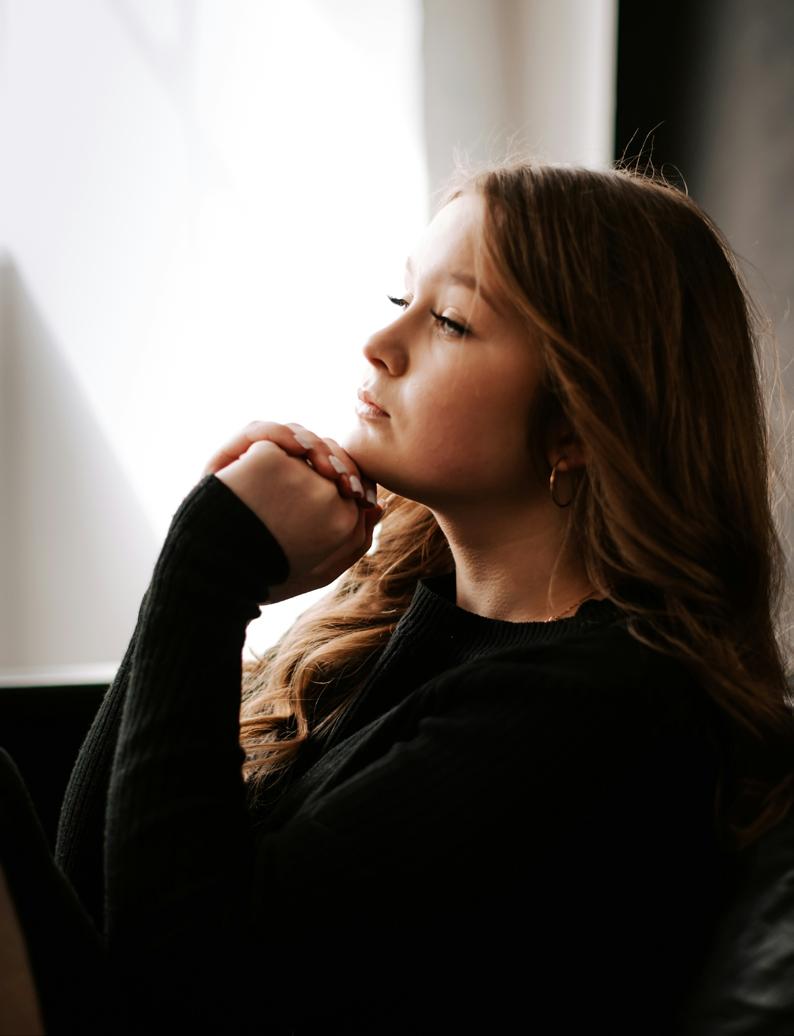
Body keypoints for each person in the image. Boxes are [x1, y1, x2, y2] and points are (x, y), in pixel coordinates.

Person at [5, 157, 794, 1035]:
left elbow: (185, 981)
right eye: (400, 299)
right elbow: (91, 899)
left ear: (576, 422)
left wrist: (208, 569)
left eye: (450, 321)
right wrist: (191, 575)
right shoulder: (391, 616)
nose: (379, 343)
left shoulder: (599, 708)